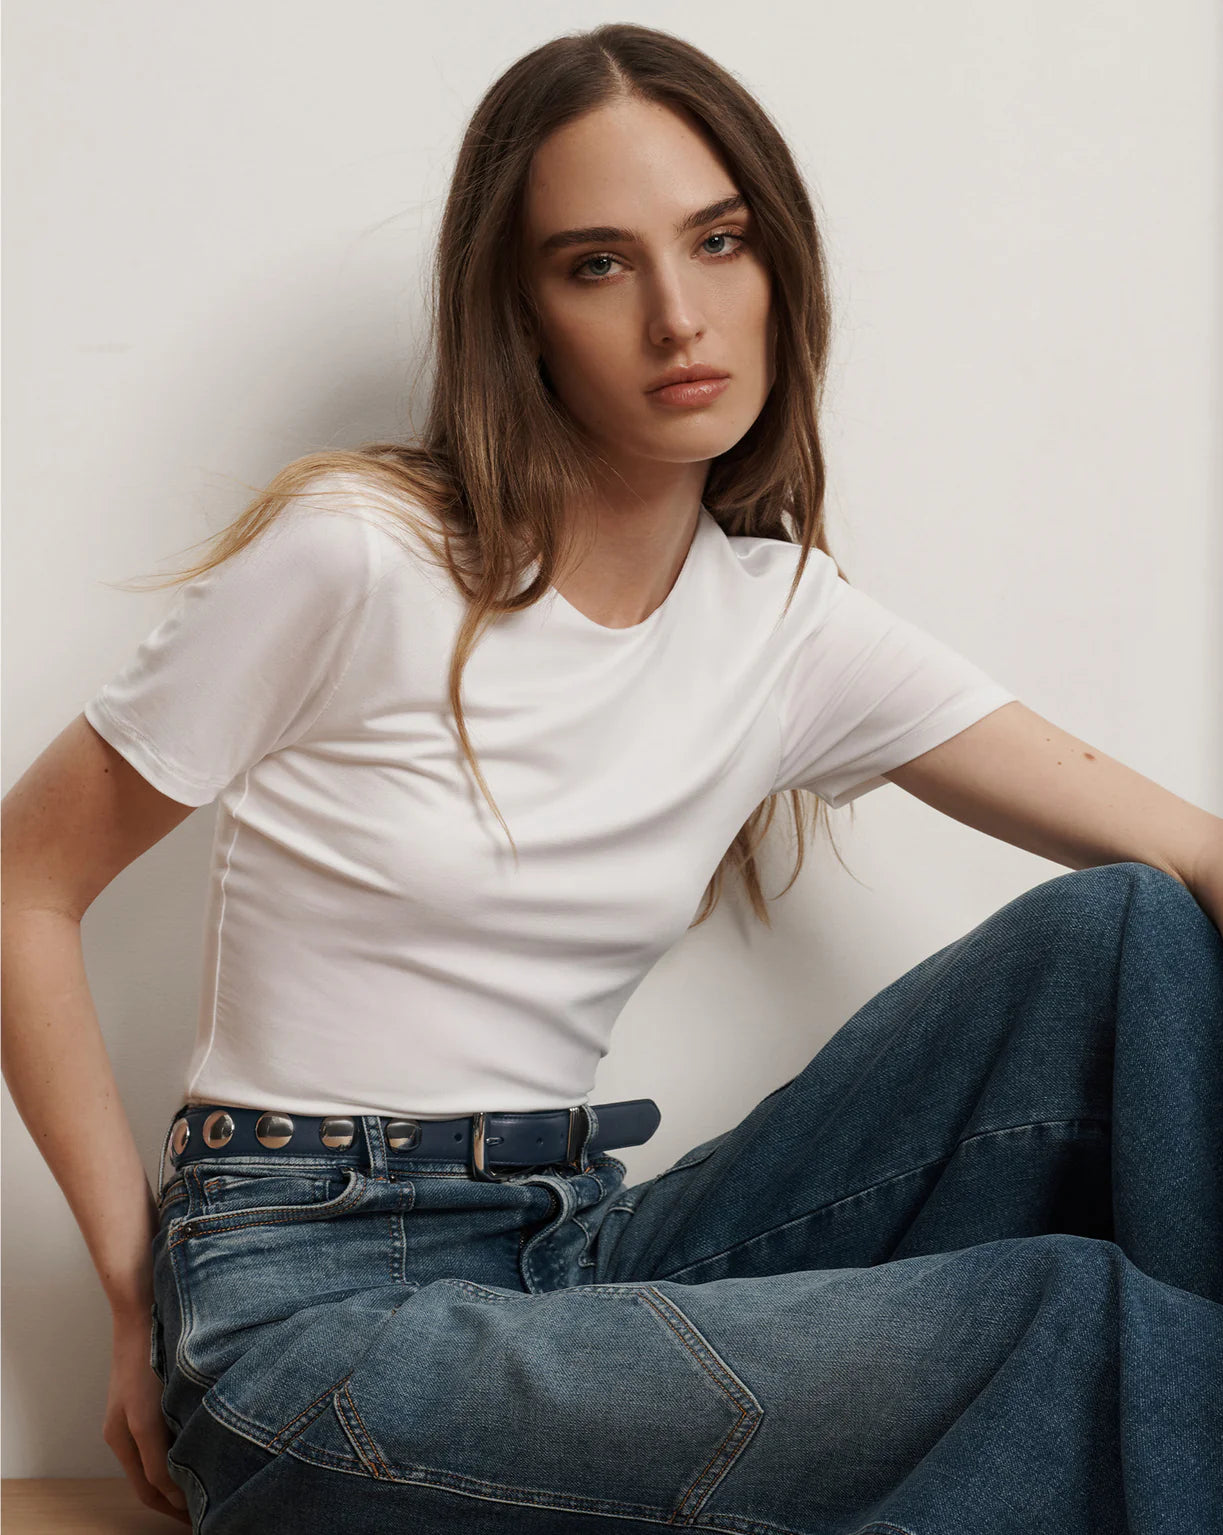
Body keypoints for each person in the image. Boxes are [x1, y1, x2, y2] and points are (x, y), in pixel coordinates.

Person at [3, 22, 1221, 1534]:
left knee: (1127, 934)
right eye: (598, 265)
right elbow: (25, 882)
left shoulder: (782, 622)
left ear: (779, 266)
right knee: (1074, 1330)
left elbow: (1193, 853)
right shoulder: (360, 556)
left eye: (718, 242)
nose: (677, 317)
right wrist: (138, 1296)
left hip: (567, 1260)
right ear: (519, 313)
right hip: (302, 1322)